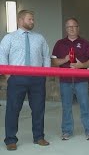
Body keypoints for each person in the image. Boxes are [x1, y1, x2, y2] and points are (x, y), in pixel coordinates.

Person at [0, 10, 50, 150]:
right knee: (13, 109)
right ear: (20, 20)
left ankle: (39, 137)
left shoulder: (39, 38)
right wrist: (8, 75)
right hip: (16, 78)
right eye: (30, 19)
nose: (32, 22)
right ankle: (10, 139)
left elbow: (46, 55)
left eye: (33, 19)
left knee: (39, 108)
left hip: (37, 79)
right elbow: (2, 55)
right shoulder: (9, 38)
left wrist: (44, 73)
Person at [51, 18, 89, 140]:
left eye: (74, 26)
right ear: (66, 29)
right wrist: (65, 59)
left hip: (81, 80)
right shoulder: (59, 44)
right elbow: (54, 62)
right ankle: (67, 131)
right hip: (65, 80)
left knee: (85, 105)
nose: (71, 29)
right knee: (66, 107)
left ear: (78, 28)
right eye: (68, 27)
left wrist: (81, 65)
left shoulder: (85, 43)